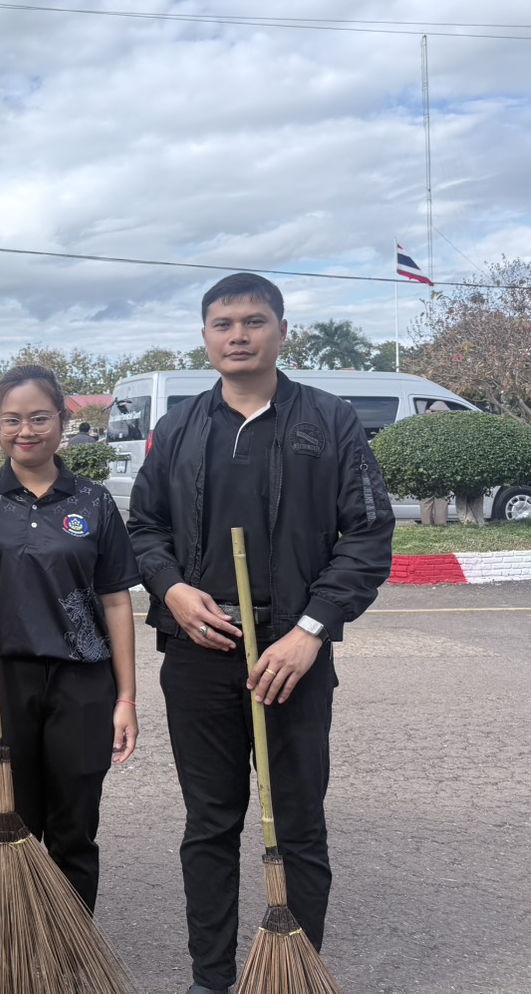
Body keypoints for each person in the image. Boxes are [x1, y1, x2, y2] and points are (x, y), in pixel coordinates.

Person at [127, 273, 394, 994]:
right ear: (205, 335)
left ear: (281, 330)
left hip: (290, 656)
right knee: (209, 825)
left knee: (297, 827)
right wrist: (172, 590)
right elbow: (143, 528)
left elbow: (367, 536)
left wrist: (310, 630)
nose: (236, 335)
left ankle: (294, 973)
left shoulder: (328, 420)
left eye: (252, 321)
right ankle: (209, 979)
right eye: (222, 323)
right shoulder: (178, 428)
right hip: (197, 654)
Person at [0, 365, 139, 912]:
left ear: (61, 421)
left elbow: (117, 600)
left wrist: (126, 699)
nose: (25, 430)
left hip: (82, 681)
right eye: (11, 420)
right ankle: (21, 940)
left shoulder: (93, 502)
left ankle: (70, 945)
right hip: (3, 678)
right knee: (11, 820)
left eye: (38, 417)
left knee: (73, 825)